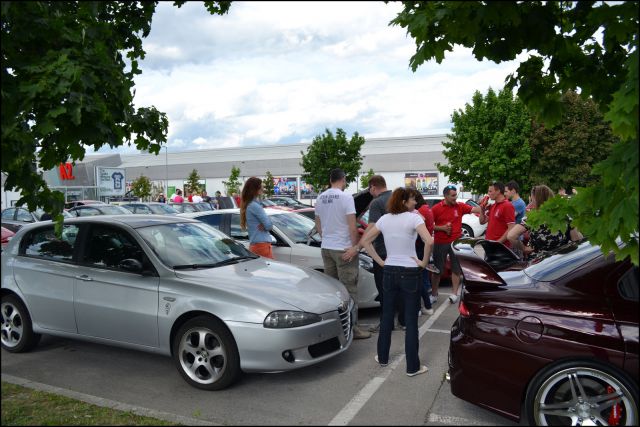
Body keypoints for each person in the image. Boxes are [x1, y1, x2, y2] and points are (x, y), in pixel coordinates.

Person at [360, 187, 433, 377]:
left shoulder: (384, 219)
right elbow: (429, 241)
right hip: (410, 271)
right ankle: (412, 367)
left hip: (389, 270)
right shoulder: (414, 218)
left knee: (386, 315)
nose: (415, 203)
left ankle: (382, 357)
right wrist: (424, 263)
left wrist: (382, 262)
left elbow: (366, 241)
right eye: (412, 200)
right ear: (403, 201)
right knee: (410, 320)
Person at [315, 168, 371, 340]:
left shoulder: (320, 197)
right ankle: (353, 328)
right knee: (349, 289)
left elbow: (318, 225)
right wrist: (354, 247)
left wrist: (328, 239)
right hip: (343, 248)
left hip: (327, 248)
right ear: (343, 179)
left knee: (332, 290)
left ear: (330, 180)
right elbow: (352, 226)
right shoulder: (346, 197)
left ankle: (336, 327)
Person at [345, 175, 392, 333]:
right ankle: (402, 321)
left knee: (384, 289)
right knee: (396, 289)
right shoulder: (397, 199)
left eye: (369, 189)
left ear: (373, 187)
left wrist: (358, 246)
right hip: (398, 252)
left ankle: (386, 324)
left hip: (382, 252)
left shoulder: (377, 202)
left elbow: (371, 227)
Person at [431, 184, 480, 304]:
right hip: (440, 242)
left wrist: (484, 206)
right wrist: (442, 228)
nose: (455, 198)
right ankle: (434, 294)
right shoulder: (436, 208)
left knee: (456, 269)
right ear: (445, 196)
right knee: (437, 270)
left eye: (456, 195)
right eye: (453, 196)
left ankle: (454, 294)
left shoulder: (460, 206)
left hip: (456, 243)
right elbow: (429, 226)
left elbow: (475, 209)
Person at [507, 185, 583, 258]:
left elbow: (511, 236)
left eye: (532, 199)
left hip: (539, 262)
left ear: (537, 200)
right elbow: (576, 239)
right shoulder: (563, 215)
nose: (531, 202)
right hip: (561, 259)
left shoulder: (531, 218)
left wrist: (524, 248)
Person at [410, 189, 435, 316]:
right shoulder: (425, 210)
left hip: (417, 248)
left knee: (417, 279)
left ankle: (419, 307)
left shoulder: (417, 213)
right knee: (419, 278)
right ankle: (426, 305)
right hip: (420, 248)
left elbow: (427, 239)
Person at [240, 177, 274, 259]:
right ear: (255, 189)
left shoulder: (250, 204)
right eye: (261, 186)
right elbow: (269, 226)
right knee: (268, 271)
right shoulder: (255, 206)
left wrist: (265, 224)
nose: (263, 188)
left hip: (258, 245)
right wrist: (266, 223)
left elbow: (266, 225)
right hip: (262, 246)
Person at [478, 181, 515, 248]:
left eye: (490, 191)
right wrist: (482, 209)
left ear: (498, 191)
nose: (488, 194)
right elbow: (482, 221)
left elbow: (511, 228)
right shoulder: (493, 205)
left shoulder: (507, 206)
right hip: (490, 245)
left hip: (500, 247)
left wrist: (498, 243)